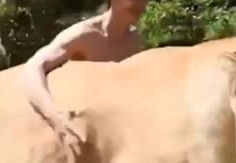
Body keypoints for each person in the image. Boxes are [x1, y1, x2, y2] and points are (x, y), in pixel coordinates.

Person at [21, 0, 149, 154]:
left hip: (119, 135)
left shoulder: (137, 41)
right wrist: (53, 115)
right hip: (82, 135)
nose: (142, 4)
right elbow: (34, 66)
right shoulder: (85, 35)